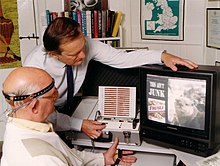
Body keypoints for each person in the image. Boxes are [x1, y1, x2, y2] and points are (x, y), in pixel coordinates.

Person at [23, 17, 198, 139]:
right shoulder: (34, 68)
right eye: (75, 54)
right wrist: (79, 124)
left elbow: (123, 59)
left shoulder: (86, 46)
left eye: (83, 47)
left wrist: (162, 56)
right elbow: (43, 113)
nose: (84, 56)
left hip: (68, 106)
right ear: (54, 55)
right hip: (43, 117)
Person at [0, 67, 136, 166]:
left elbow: (68, 155)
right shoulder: (44, 162)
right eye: (53, 95)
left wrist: (103, 159)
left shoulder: (23, 125)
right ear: (34, 106)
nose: (56, 98)